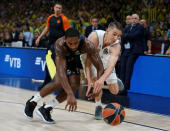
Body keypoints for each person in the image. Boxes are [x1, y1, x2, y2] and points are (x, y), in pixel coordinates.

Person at [24, 28, 104, 124]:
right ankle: (32, 101)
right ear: (65, 40)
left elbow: (100, 67)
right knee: (58, 82)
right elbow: (62, 73)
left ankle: (46, 108)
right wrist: (70, 94)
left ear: (79, 39)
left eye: (76, 43)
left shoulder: (88, 45)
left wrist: (98, 85)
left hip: (71, 58)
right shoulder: (60, 44)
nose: (73, 46)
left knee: (75, 85)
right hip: (54, 55)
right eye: (70, 43)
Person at [85, 22, 124, 120]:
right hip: (94, 60)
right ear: (107, 31)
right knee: (96, 84)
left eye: (119, 36)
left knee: (114, 91)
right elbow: (88, 62)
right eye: (114, 34)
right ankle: (98, 106)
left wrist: (102, 79)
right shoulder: (94, 37)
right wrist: (89, 80)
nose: (116, 38)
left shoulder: (117, 45)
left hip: (106, 61)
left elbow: (111, 66)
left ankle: (116, 80)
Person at [35, 2, 70, 90]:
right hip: (50, 45)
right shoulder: (50, 18)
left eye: (59, 8)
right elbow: (47, 28)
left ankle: (63, 86)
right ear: (54, 8)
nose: (58, 9)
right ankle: (46, 83)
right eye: (56, 7)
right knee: (48, 65)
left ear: (61, 10)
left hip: (59, 46)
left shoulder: (64, 19)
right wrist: (39, 37)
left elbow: (68, 32)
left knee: (60, 65)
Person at [120, 14, 145, 93]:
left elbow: (134, 36)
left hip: (134, 51)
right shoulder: (127, 27)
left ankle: (126, 87)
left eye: (135, 18)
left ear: (138, 19)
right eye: (132, 18)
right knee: (122, 68)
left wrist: (126, 35)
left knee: (128, 68)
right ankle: (121, 86)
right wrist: (126, 36)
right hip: (126, 50)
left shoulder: (140, 27)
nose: (134, 20)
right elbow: (122, 36)